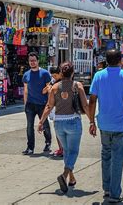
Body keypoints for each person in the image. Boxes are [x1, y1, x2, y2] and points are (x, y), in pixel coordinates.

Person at [88, 49, 123, 203]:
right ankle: (114, 194)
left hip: (104, 124)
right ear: (121, 60)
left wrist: (91, 121)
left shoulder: (98, 76)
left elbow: (92, 100)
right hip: (121, 125)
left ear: (106, 60)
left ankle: (107, 189)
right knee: (117, 158)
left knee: (106, 155)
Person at [38, 62, 92, 194]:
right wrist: (92, 121)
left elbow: (49, 106)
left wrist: (41, 122)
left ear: (61, 73)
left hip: (59, 123)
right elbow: (85, 105)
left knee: (67, 151)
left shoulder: (55, 87)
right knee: (73, 151)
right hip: (73, 121)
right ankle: (64, 174)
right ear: (73, 73)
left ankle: (71, 179)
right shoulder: (77, 85)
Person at [22, 52, 52, 155]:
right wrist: (25, 104)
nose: (32, 62)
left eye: (34, 60)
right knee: (29, 126)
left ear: (38, 61)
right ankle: (30, 147)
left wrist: (49, 103)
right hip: (30, 104)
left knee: (45, 124)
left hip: (42, 104)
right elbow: (25, 90)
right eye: (30, 61)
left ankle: (48, 142)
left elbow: (49, 88)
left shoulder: (45, 73)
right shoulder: (26, 75)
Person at [42, 66, 64, 158]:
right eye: (52, 75)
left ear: (60, 74)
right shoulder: (52, 81)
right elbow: (43, 91)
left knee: (61, 130)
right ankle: (61, 148)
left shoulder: (63, 82)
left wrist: (51, 90)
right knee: (57, 129)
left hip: (61, 109)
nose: (54, 77)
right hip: (53, 109)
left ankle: (63, 149)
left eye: (55, 75)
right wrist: (47, 88)